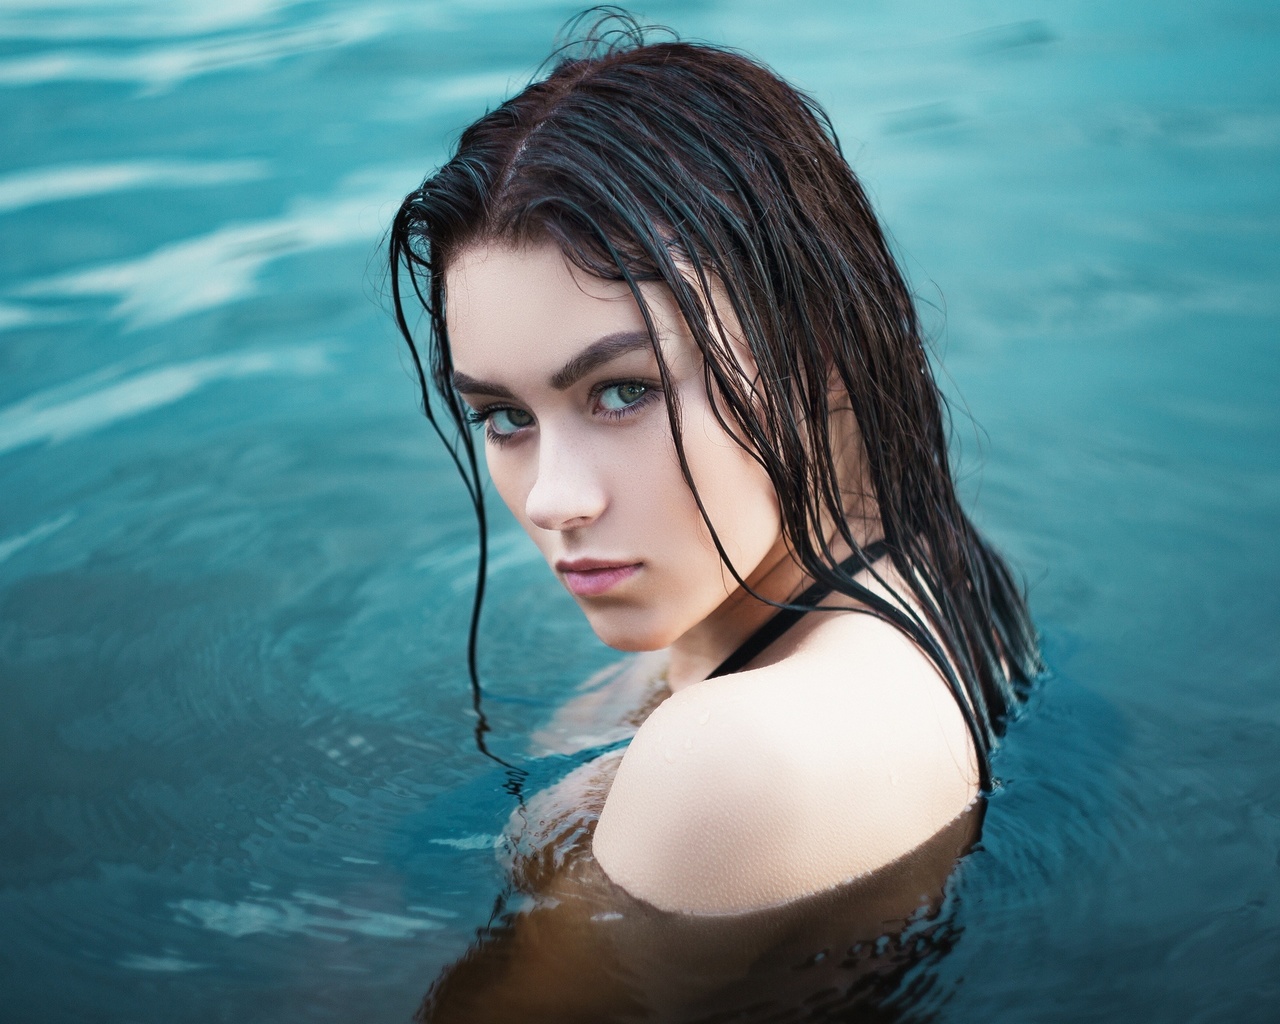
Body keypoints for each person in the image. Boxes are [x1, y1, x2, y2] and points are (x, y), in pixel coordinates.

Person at [389, 11, 1040, 1018]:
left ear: (815, 352)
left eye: (621, 392)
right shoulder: (919, 571)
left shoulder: (732, 765)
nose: (555, 500)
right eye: (502, 415)